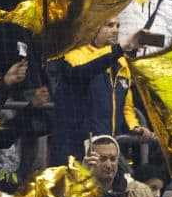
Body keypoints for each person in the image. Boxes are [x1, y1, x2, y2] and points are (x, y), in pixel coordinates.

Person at [51, 19, 152, 165]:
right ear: (93, 27)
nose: (115, 30)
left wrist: (134, 127)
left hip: (110, 149)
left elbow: (126, 107)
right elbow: (83, 71)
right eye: (109, 25)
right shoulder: (74, 54)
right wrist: (120, 48)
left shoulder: (122, 62)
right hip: (76, 148)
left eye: (118, 25)